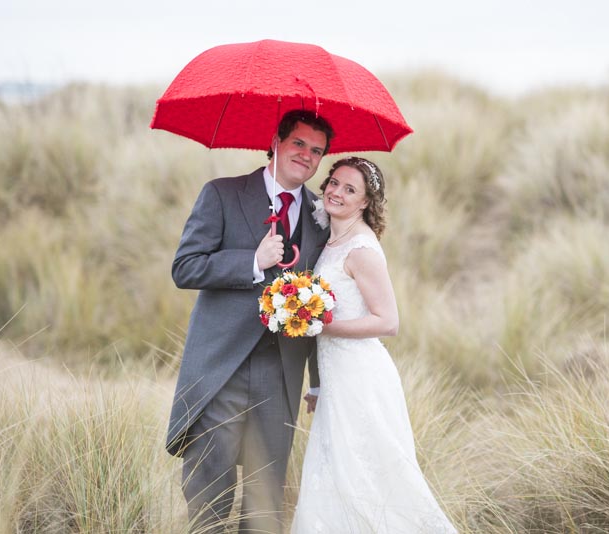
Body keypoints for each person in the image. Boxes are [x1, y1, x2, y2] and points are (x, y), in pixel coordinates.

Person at [167, 109, 334, 533]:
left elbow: (320, 302)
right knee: (209, 491)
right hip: (221, 367)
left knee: (265, 500)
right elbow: (185, 267)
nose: (307, 156)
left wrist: (317, 379)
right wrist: (252, 262)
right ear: (275, 142)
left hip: (280, 373)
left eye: (317, 151)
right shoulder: (221, 194)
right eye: (299, 143)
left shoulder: (322, 216)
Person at [290, 157, 457, 533]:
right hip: (335, 378)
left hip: (361, 378)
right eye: (334, 183)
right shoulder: (332, 239)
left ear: (365, 202)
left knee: (371, 477)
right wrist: (318, 382)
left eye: (351, 190)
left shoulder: (362, 249)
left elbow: (388, 322)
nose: (337, 192)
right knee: (336, 476)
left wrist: (320, 325)